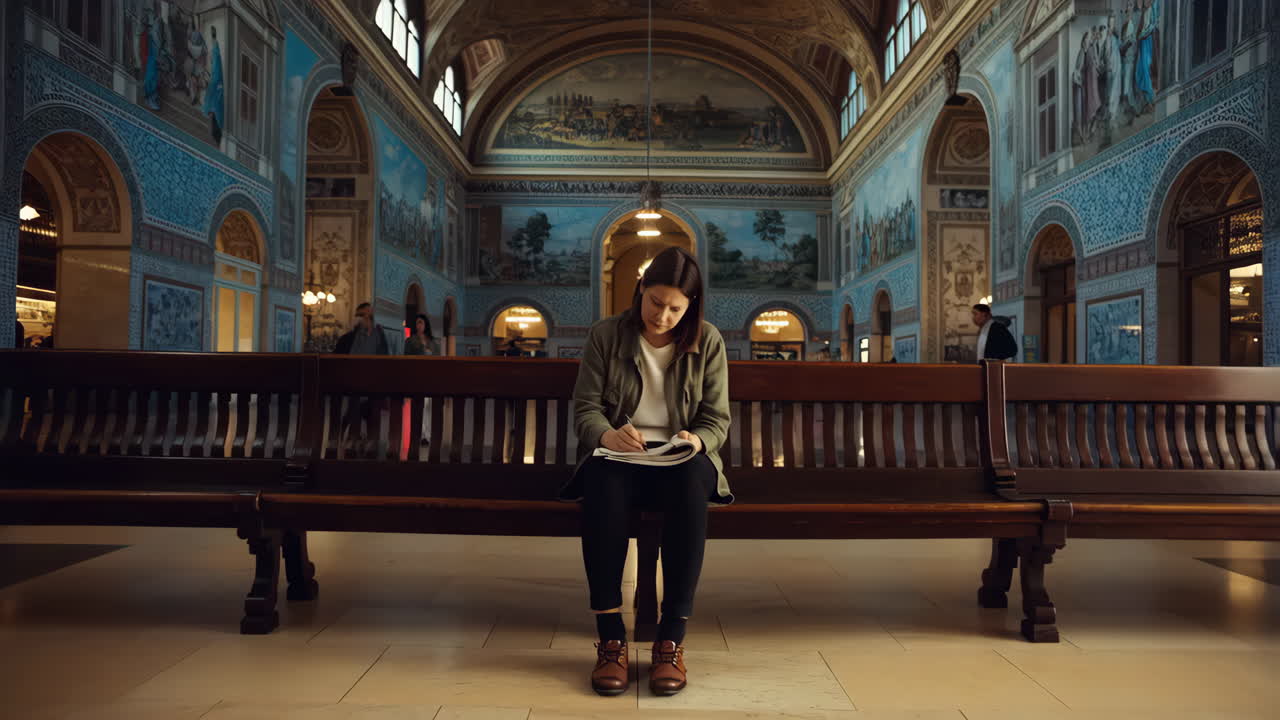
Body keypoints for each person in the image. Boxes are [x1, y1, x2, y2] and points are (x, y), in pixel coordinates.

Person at [564, 246, 731, 698]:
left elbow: (717, 419)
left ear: (690, 307)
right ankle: (611, 636)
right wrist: (605, 436)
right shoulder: (606, 335)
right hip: (622, 454)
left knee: (693, 481)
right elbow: (586, 409)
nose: (663, 316)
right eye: (655, 302)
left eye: (676, 308)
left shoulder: (708, 340)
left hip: (678, 456)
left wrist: (696, 441)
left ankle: (670, 640)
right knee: (602, 482)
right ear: (640, 291)